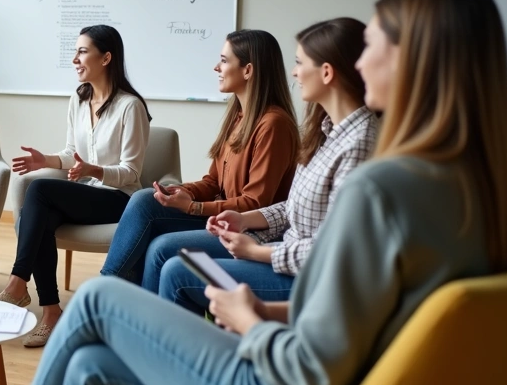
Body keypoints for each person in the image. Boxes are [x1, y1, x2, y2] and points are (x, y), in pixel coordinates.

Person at [0, 0, 507, 385]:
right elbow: (376, 315)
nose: (358, 58)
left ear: (414, 60)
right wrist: (271, 303)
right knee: (89, 369)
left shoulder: (380, 185)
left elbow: (310, 367)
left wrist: (250, 315)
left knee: (97, 298)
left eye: (372, 41)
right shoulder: (487, 194)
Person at [149, 18, 380, 306]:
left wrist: (255, 251)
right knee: (157, 229)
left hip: (307, 277)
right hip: (281, 248)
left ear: (326, 73)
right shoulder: (326, 133)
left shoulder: (357, 144)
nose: (294, 73)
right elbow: (293, 207)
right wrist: (243, 219)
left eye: (299, 62)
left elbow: (330, 250)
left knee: (176, 269)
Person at [98, 29, 300, 284]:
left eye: (224, 61)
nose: (217, 67)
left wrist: (194, 207)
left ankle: (107, 292)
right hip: (221, 216)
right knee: (144, 199)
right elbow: (213, 182)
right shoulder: (237, 118)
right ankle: (112, 289)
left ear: (248, 70)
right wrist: (184, 192)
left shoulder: (274, 124)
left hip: (251, 230)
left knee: (159, 247)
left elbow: (255, 203)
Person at [0, 25, 150, 347]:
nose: (75, 59)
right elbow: (71, 155)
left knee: (37, 192)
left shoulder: (130, 107)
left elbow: (131, 171)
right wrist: (46, 161)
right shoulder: (78, 100)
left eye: (82, 51)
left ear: (106, 57)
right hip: (88, 193)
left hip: (120, 199)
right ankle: (51, 312)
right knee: (35, 218)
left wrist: (93, 170)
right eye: (76, 51)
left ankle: (17, 282)